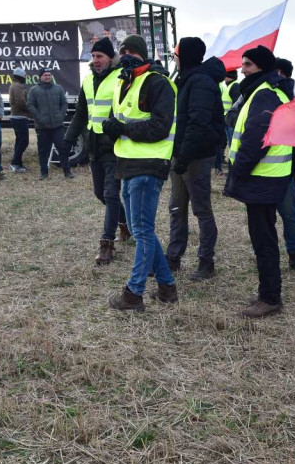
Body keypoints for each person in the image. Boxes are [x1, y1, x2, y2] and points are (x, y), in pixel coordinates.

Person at [102, 36, 178, 311]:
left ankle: (134, 294)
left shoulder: (158, 83)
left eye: (132, 51)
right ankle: (167, 288)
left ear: (144, 55)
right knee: (138, 229)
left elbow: (160, 127)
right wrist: (112, 127)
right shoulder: (123, 82)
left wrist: (122, 129)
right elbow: (122, 119)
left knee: (143, 231)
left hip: (150, 164)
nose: (126, 55)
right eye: (123, 51)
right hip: (127, 163)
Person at [224, 45, 293, 319]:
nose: (242, 69)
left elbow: (257, 138)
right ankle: (268, 291)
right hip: (266, 178)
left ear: (262, 68)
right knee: (263, 237)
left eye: (248, 65)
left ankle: (270, 298)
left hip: (263, 178)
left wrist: (238, 170)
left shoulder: (264, 94)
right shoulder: (263, 91)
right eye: (243, 64)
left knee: (263, 239)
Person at [167, 37, 226, 280]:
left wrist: (184, 156)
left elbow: (197, 123)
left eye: (177, 53)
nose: (175, 57)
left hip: (196, 156)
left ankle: (206, 262)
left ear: (186, 55)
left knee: (201, 210)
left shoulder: (200, 82)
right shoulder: (184, 80)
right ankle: (173, 257)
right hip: (180, 154)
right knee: (176, 207)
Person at [64, 37, 128, 264]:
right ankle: (126, 224)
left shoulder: (121, 78)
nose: (95, 60)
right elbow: (81, 113)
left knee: (111, 194)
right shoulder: (88, 80)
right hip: (94, 145)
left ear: (111, 58)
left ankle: (106, 245)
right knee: (100, 193)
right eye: (93, 56)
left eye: (99, 56)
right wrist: (69, 139)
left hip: (114, 145)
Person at [272, 57, 295, 270]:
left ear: (279, 72)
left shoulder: (286, 94)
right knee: (289, 213)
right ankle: (293, 254)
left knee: (284, 213)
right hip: (285, 166)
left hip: (279, 166)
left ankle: (292, 253)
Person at [28, 70, 72, 180]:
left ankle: (67, 172)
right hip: (42, 127)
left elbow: (64, 103)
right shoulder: (34, 90)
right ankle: (44, 173)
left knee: (62, 149)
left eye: (49, 75)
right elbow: (30, 105)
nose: (47, 77)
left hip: (57, 126)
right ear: (40, 77)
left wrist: (60, 115)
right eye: (45, 75)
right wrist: (39, 118)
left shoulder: (58, 88)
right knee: (43, 151)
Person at [8, 67, 31, 173]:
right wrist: (31, 110)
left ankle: (18, 163)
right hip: (19, 117)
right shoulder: (17, 86)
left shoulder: (16, 85)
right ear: (21, 76)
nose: (26, 77)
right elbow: (20, 102)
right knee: (24, 141)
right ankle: (15, 163)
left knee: (20, 141)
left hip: (18, 117)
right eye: (25, 75)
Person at [216, 68, 239, 174]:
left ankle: (233, 166)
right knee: (228, 143)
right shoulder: (230, 86)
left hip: (230, 122)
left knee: (232, 144)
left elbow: (235, 105)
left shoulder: (234, 86)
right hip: (226, 120)